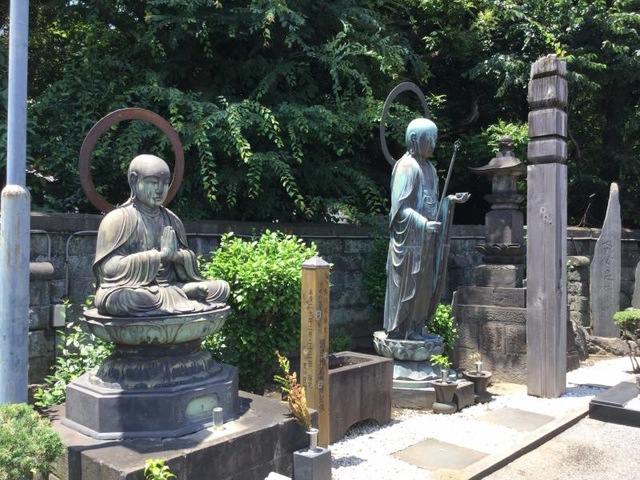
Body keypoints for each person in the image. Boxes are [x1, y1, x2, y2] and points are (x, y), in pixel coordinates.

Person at [93, 154, 230, 317]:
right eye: (152, 182)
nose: (160, 189)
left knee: (222, 288)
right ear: (134, 180)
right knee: (117, 300)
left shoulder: (173, 220)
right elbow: (108, 269)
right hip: (136, 291)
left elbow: (187, 259)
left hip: (169, 286)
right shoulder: (117, 219)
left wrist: (176, 256)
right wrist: (159, 256)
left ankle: (181, 292)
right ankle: (183, 294)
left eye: (165, 183)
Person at [384, 118, 469, 340]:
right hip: (409, 244)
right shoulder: (406, 167)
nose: (433, 144)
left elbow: (432, 205)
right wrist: (423, 223)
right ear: (414, 139)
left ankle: (418, 327)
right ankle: (403, 330)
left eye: (435, 139)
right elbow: (400, 210)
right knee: (409, 287)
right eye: (429, 139)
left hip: (427, 241)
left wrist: (449, 201)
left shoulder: (430, 169)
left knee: (424, 288)